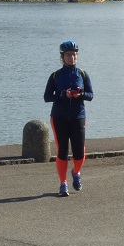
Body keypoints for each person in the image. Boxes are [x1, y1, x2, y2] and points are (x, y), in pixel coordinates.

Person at [43, 40, 94, 197]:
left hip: (78, 116)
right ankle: (63, 183)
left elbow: (91, 95)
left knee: (79, 152)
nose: (72, 57)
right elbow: (47, 97)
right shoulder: (56, 76)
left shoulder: (83, 74)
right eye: (68, 55)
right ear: (62, 57)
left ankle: (76, 172)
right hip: (59, 117)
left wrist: (81, 94)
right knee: (62, 151)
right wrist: (62, 95)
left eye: (74, 54)